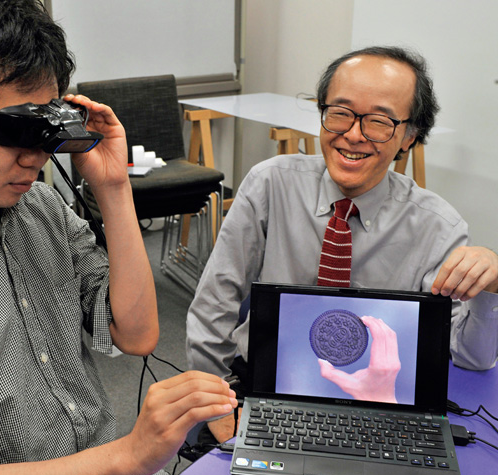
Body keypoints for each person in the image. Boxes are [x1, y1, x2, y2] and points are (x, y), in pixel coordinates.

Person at [0, 1, 237, 475]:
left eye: (46, 132)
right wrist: (127, 456)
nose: (35, 160)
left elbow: (136, 334)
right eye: (12, 131)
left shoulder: (41, 209)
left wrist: (114, 188)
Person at [186, 45, 498, 443]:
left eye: (380, 121)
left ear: (409, 135)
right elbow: (215, 302)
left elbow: (472, 358)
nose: (353, 134)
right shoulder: (270, 184)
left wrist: (491, 286)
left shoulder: (438, 227)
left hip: (382, 401)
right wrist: (217, 400)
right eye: (340, 113)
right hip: (260, 385)